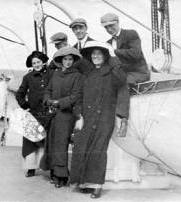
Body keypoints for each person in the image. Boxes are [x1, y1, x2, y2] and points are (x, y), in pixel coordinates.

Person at [70, 41, 126, 199]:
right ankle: (85, 183)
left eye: (99, 54)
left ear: (105, 56)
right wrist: (79, 116)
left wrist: (114, 59)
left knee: (98, 151)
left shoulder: (112, 72)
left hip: (104, 118)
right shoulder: (87, 74)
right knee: (82, 148)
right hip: (86, 118)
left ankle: (97, 186)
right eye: (93, 54)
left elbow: (122, 81)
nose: (96, 57)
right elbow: (79, 97)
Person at [40, 46, 84, 188]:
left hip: (66, 114)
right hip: (53, 113)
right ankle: (54, 173)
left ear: (74, 60)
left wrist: (59, 102)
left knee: (60, 144)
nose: (68, 62)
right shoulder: (56, 74)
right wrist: (48, 100)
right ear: (61, 60)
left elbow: (76, 96)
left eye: (70, 59)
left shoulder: (78, 76)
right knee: (51, 142)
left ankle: (62, 176)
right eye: (65, 59)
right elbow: (48, 90)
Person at [101, 13, 151, 136]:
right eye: (106, 27)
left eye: (111, 26)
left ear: (118, 22)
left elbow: (135, 54)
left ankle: (123, 120)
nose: (109, 29)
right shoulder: (107, 43)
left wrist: (114, 52)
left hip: (139, 72)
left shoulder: (131, 34)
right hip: (121, 74)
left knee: (122, 80)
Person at [15, 51, 54, 177]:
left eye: (38, 62)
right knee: (31, 141)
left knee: (48, 141)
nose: (37, 65)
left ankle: (52, 168)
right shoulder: (28, 77)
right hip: (34, 114)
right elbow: (19, 94)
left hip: (49, 113)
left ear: (43, 62)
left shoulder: (52, 74)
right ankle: (31, 168)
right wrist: (25, 105)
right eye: (34, 63)